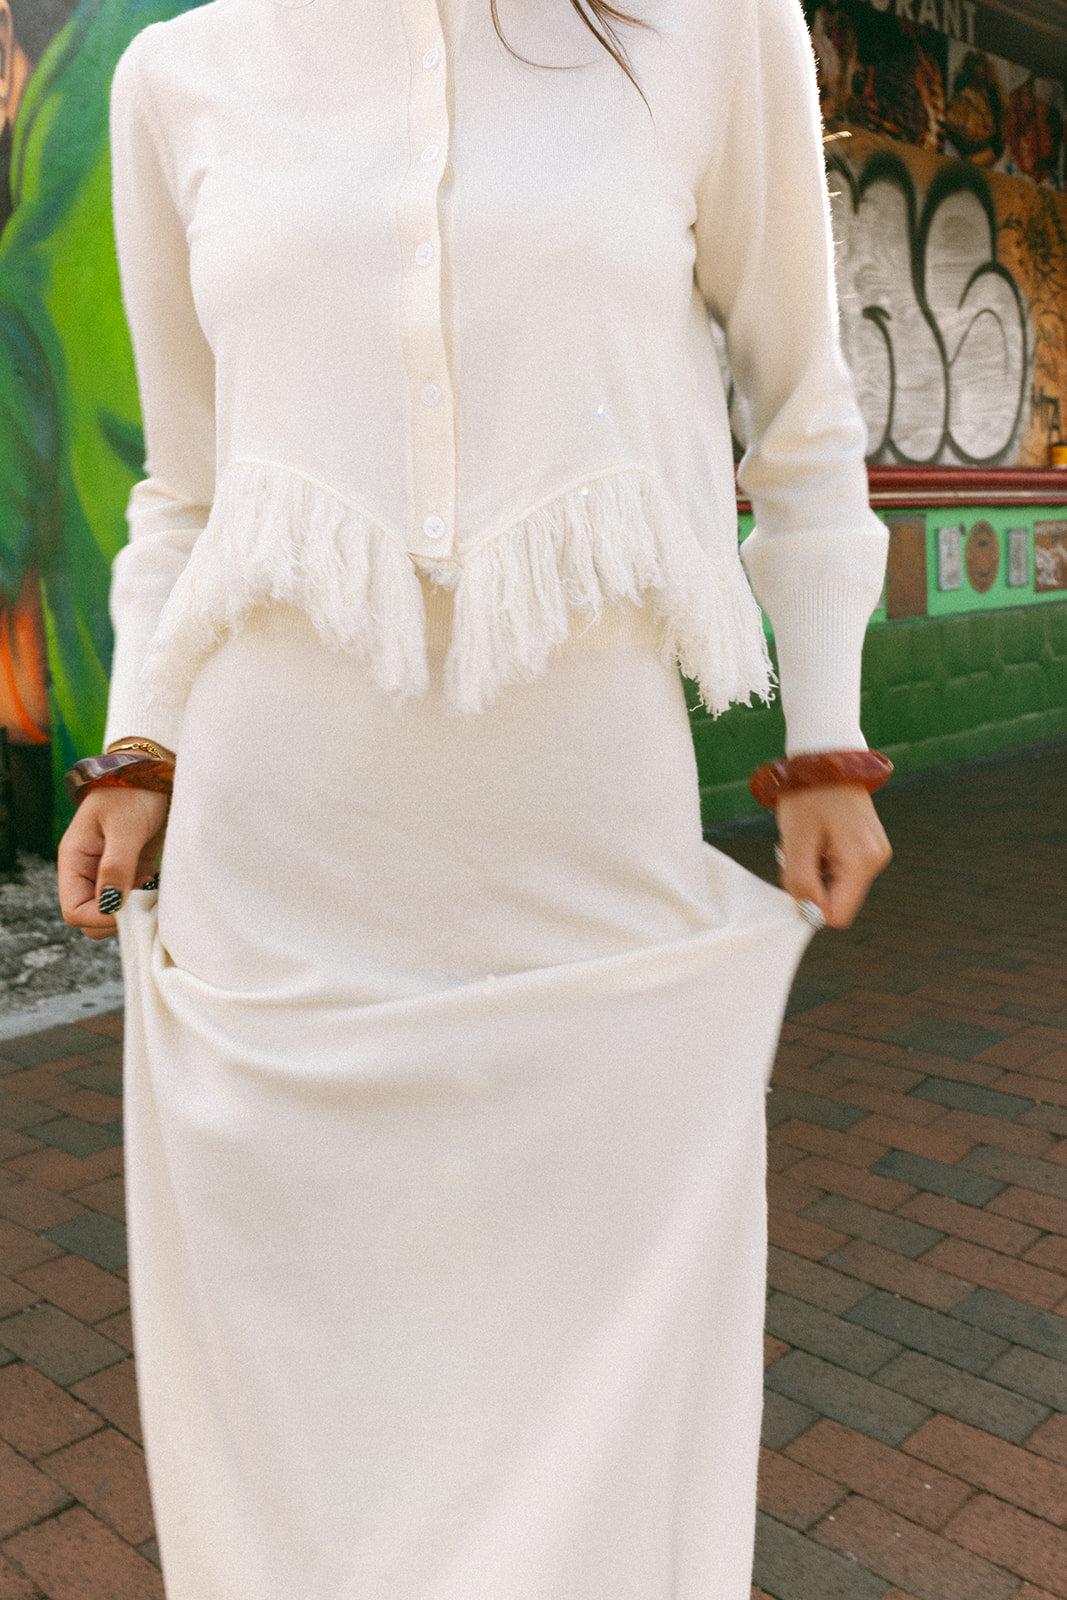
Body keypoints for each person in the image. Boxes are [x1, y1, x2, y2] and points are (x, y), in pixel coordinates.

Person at [58, 0, 892, 1595]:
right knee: (311, 1413)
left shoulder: (711, 32)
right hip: (279, 862)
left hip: (582, 848)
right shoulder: (177, 77)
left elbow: (804, 416)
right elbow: (185, 490)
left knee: (599, 1388)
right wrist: (137, 749)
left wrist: (828, 742)